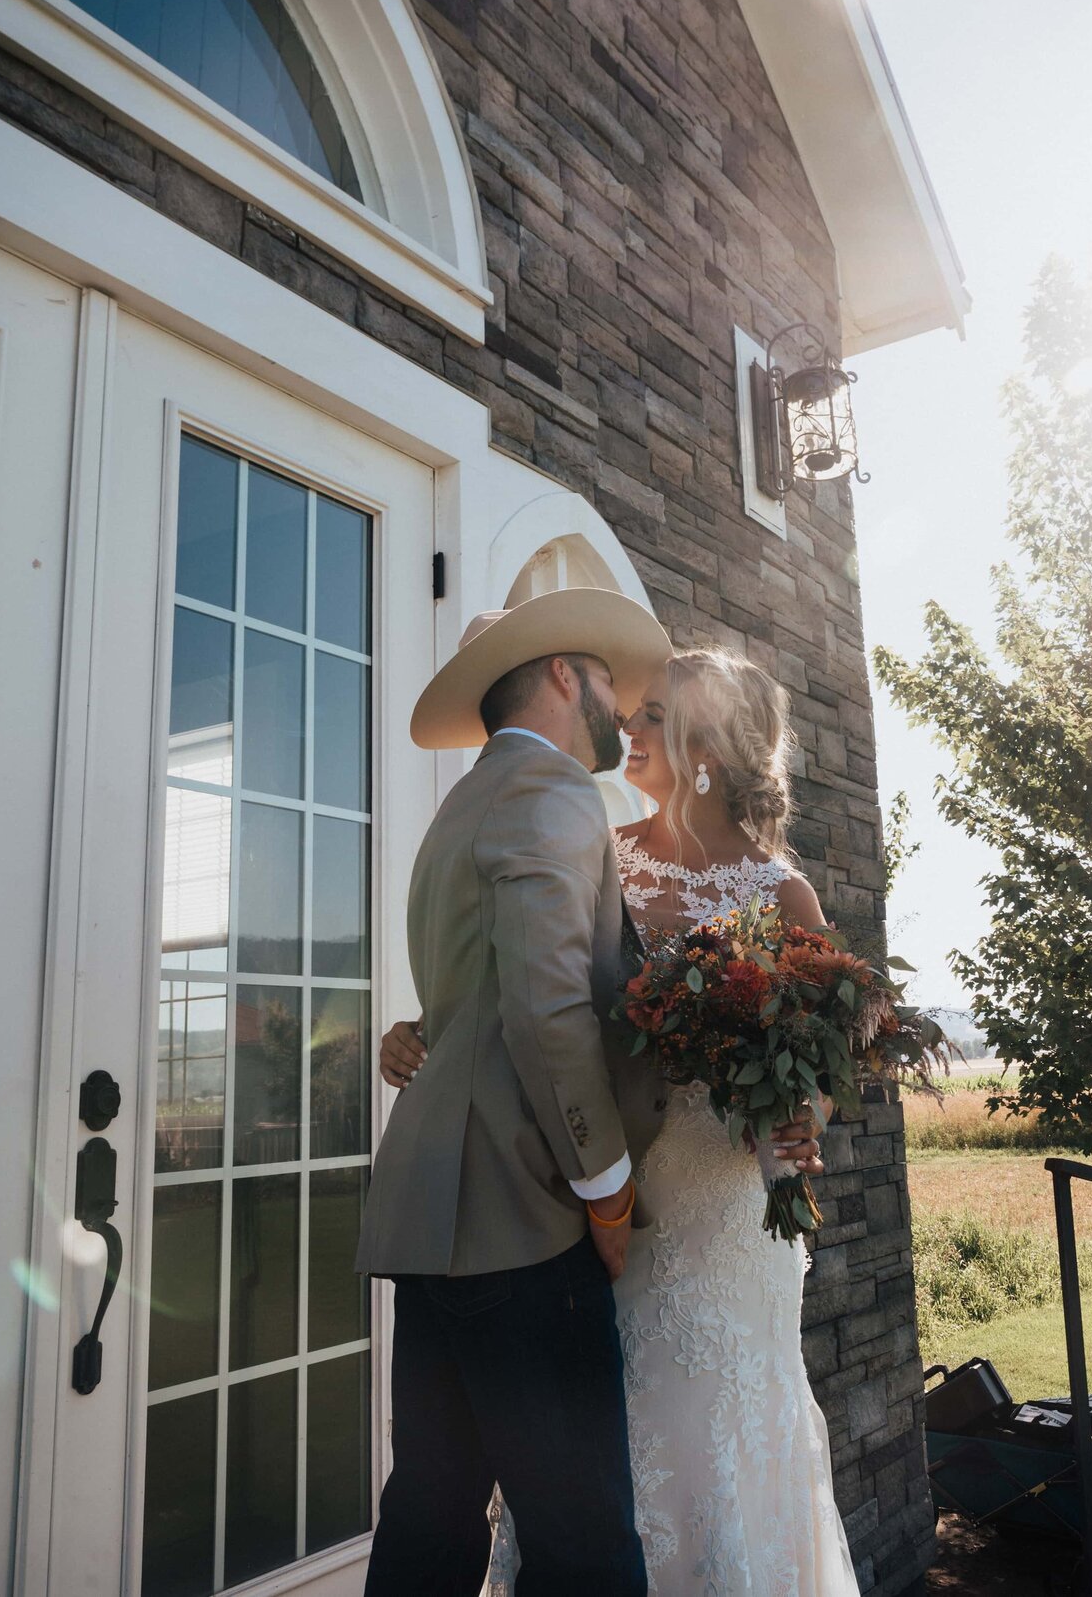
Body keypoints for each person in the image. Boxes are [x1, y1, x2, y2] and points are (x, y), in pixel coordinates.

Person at [382, 644, 856, 1596]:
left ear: (706, 743)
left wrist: (802, 1116)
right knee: (600, 1485)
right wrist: (423, 1028)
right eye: (629, 712)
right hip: (605, 1214)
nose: (628, 730)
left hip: (721, 1214)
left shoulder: (784, 893)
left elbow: (823, 1066)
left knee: (711, 1458)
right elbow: (533, 979)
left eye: (651, 717)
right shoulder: (606, 848)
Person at [358, 587, 673, 1596]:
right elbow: (546, 1014)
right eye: (608, 686)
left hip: (434, 1222)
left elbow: (480, 1004)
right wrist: (607, 1191)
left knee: (429, 1524)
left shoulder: (462, 806)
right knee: (586, 1552)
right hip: (526, 1223)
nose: (622, 713)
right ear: (562, 674)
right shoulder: (555, 792)